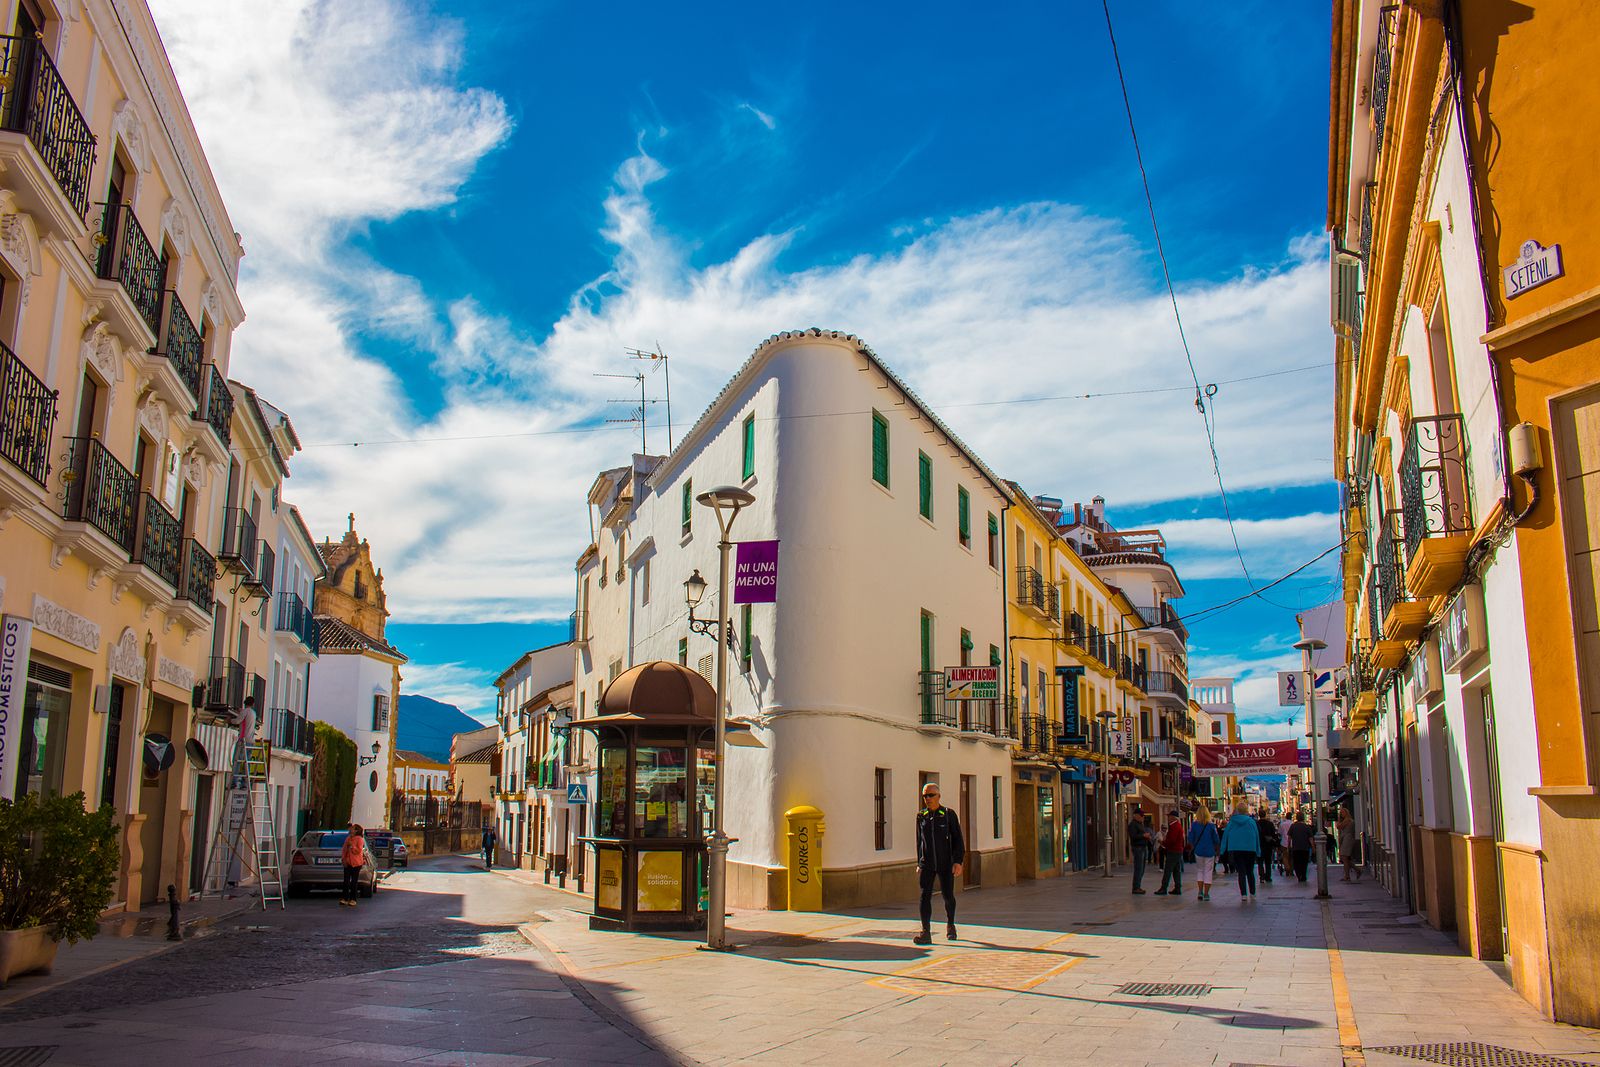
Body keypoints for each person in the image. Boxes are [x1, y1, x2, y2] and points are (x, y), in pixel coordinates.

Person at [913, 783, 964, 944]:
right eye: (925, 796)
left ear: (938, 796)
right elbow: (919, 841)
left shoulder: (948, 814)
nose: (927, 799)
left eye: (931, 795)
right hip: (927, 863)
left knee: (948, 896)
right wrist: (919, 862)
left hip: (945, 863)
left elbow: (958, 839)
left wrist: (957, 861)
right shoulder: (921, 816)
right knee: (924, 896)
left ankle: (950, 925)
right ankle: (925, 932)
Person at [1220, 800, 1261, 900]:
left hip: (1236, 849)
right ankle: (1252, 893)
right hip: (1250, 849)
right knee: (1250, 872)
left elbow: (1225, 836)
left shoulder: (1232, 822)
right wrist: (1258, 850)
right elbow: (1256, 835)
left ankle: (1243, 894)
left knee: (1241, 872)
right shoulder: (1251, 822)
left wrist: (1222, 850)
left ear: (1237, 810)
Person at [1186, 806, 1221, 901]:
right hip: (1209, 851)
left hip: (1198, 851)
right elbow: (1216, 840)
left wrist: (1193, 845)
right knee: (1208, 872)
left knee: (1200, 871)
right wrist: (1217, 849)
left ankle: (1200, 891)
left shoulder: (1194, 825)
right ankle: (1206, 893)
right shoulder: (1211, 826)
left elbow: (1190, 838)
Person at [1154, 810, 1185, 896]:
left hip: (1173, 850)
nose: (1168, 818)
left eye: (1169, 816)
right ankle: (1177, 887)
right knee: (1176, 870)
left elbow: (1172, 840)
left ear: (1172, 817)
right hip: (1178, 850)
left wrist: (1163, 842)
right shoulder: (1177, 825)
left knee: (1168, 869)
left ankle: (1163, 888)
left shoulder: (1174, 826)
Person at [341, 824, 369, 907]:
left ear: (356, 830)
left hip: (356, 863)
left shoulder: (360, 839)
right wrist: (343, 859)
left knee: (354, 882)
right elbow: (344, 849)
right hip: (348, 862)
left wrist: (352, 847)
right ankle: (345, 898)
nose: (350, 830)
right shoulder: (348, 838)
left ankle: (353, 899)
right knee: (346, 881)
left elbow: (358, 851)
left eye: (352, 829)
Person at [1127, 807, 1153, 894]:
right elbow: (1133, 836)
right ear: (1135, 815)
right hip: (1138, 848)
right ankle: (1136, 887)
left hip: (1143, 847)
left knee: (1142, 868)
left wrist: (1146, 836)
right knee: (1138, 868)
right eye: (1141, 816)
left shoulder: (1140, 824)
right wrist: (1143, 836)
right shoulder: (1133, 825)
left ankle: (1138, 886)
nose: (1142, 817)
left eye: (1143, 816)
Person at [1288, 812, 1315, 882]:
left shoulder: (1293, 826)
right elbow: (1311, 839)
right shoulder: (1307, 827)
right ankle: (1303, 875)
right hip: (1305, 848)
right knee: (1304, 862)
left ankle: (1298, 874)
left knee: (1296, 862)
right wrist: (1313, 847)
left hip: (1295, 848)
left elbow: (1289, 837)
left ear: (1297, 818)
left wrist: (1288, 846)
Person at [233, 694, 258, 768]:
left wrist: (230, 720)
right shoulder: (253, 713)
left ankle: (235, 778)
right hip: (251, 740)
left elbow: (238, 721)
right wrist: (241, 711)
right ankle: (246, 778)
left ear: (245, 703)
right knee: (247, 760)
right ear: (253, 704)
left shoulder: (245, 712)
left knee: (237, 759)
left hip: (243, 739)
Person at [1256, 809, 1279, 885]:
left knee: (1260, 862)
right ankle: (1268, 877)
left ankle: (1261, 877)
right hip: (1268, 845)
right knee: (1268, 862)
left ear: (1259, 815)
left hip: (1259, 845)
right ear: (1265, 815)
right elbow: (1273, 834)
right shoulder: (1270, 824)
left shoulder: (1256, 824)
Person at [1337, 808, 1361, 882]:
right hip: (1346, 839)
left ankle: (1349, 875)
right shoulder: (1347, 820)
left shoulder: (1348, 820)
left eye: (1342, 813)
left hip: (1348, 839)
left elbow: (1339, 826)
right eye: (1340, 813)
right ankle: (1353, 872)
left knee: (1344, 857)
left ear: (1346, 813)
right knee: (1345, 858)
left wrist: (1338, 819)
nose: (1341, 814)